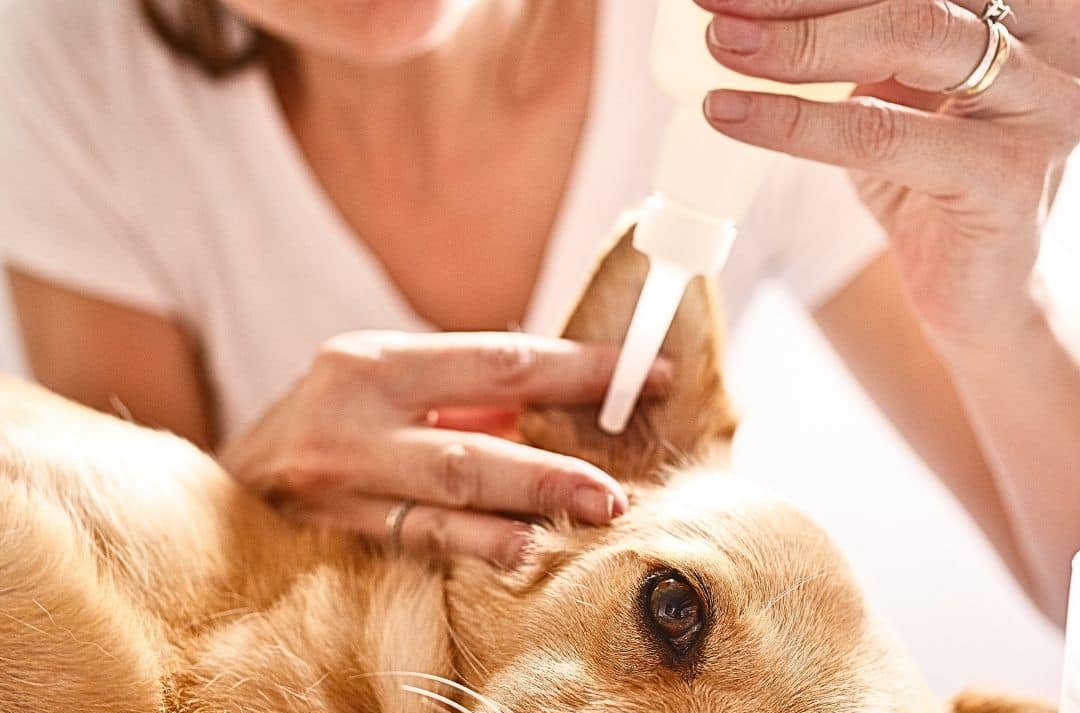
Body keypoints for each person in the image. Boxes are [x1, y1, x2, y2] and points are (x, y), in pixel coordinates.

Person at [0, 0, 1077, 622]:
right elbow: (111, 634)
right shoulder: (71, 66)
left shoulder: (756, 42)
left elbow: (1066, 581)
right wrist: (241, 497)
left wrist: (989, 315)